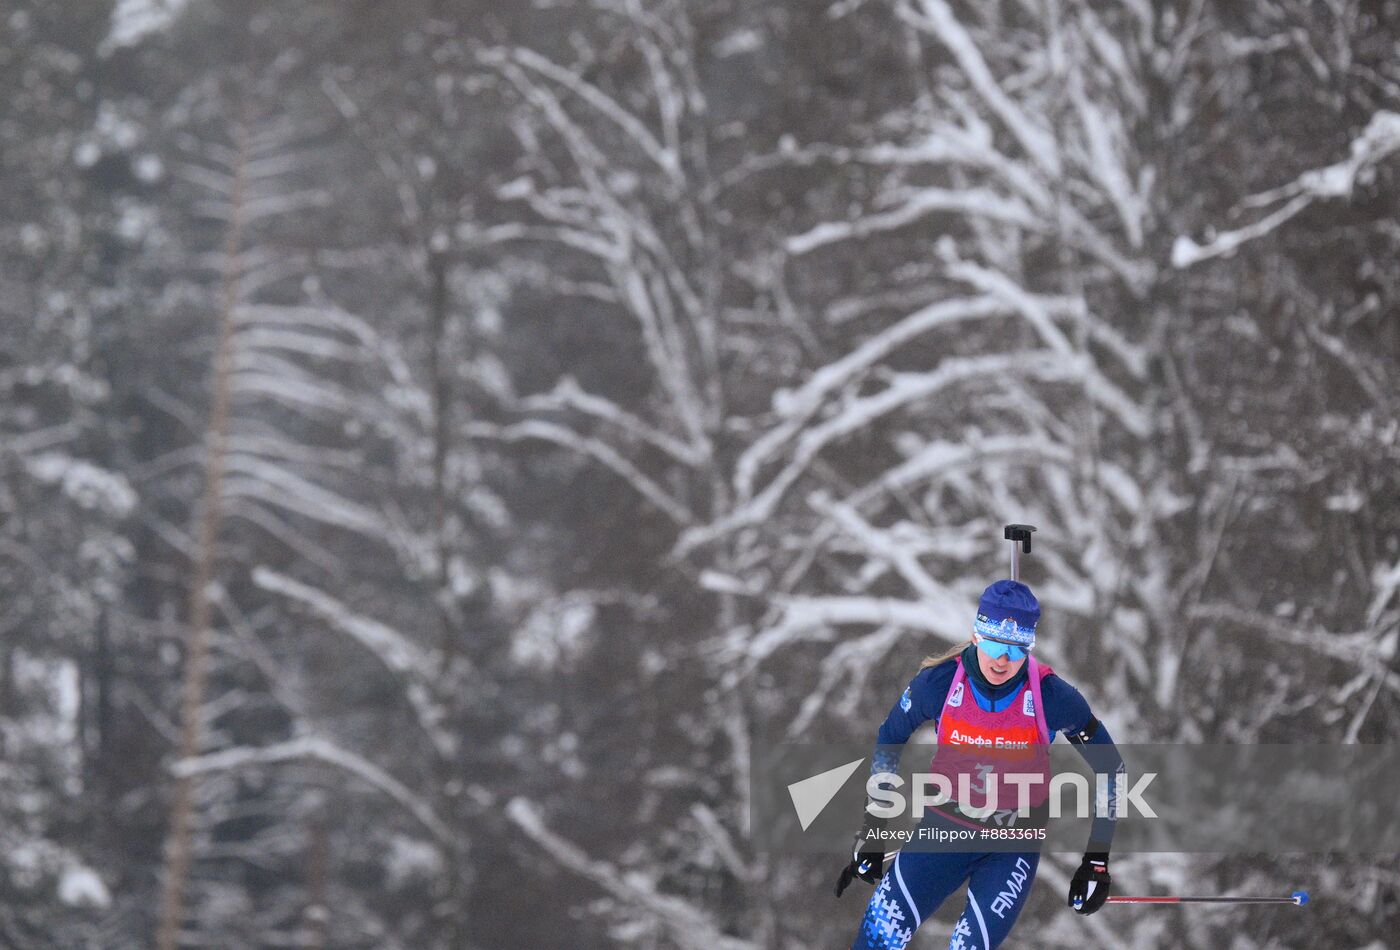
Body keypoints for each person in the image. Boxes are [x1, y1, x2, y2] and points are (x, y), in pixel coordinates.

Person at [834, 579, 1121, 950]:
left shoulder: (1052, 697)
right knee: (876, 940)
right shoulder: (938, 684)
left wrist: (1096, 861)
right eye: (994, 644)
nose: (1002, 659)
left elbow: (1111, 768)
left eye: (1016, 650)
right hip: (944, 832)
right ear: (975, 636)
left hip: (1012, 847)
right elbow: (890, 738)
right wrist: (873, 830)